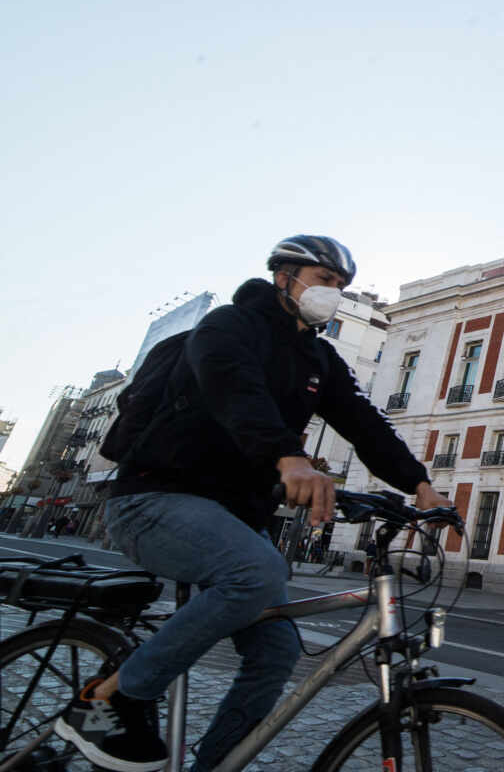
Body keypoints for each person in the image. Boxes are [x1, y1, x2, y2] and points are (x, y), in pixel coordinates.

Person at [57, 235, 452, 772]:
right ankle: (109, 700)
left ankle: (216, 765)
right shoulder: (228, 326)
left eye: (341, 286)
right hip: (155, 497)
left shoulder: (319, 357)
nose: (333, 294)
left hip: (234, 514)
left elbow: (363, 421)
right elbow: (234, 389)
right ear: (284, 277)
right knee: (257, 570)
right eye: (324, 280)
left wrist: (420, 485)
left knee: (276, 653)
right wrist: (287, 456)